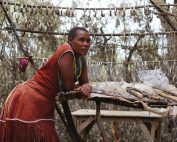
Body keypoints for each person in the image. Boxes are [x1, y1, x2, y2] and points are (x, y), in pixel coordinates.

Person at [0, 27, 92, 142]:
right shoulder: (67, 51)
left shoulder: (81, 59)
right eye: (81, 40)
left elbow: (85, 82)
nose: (85, 44)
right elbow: (69, 87)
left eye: (88, 41)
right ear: (70, 40)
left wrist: (87, 86)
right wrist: (84, 87)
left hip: (45, 101)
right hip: (28, 98)